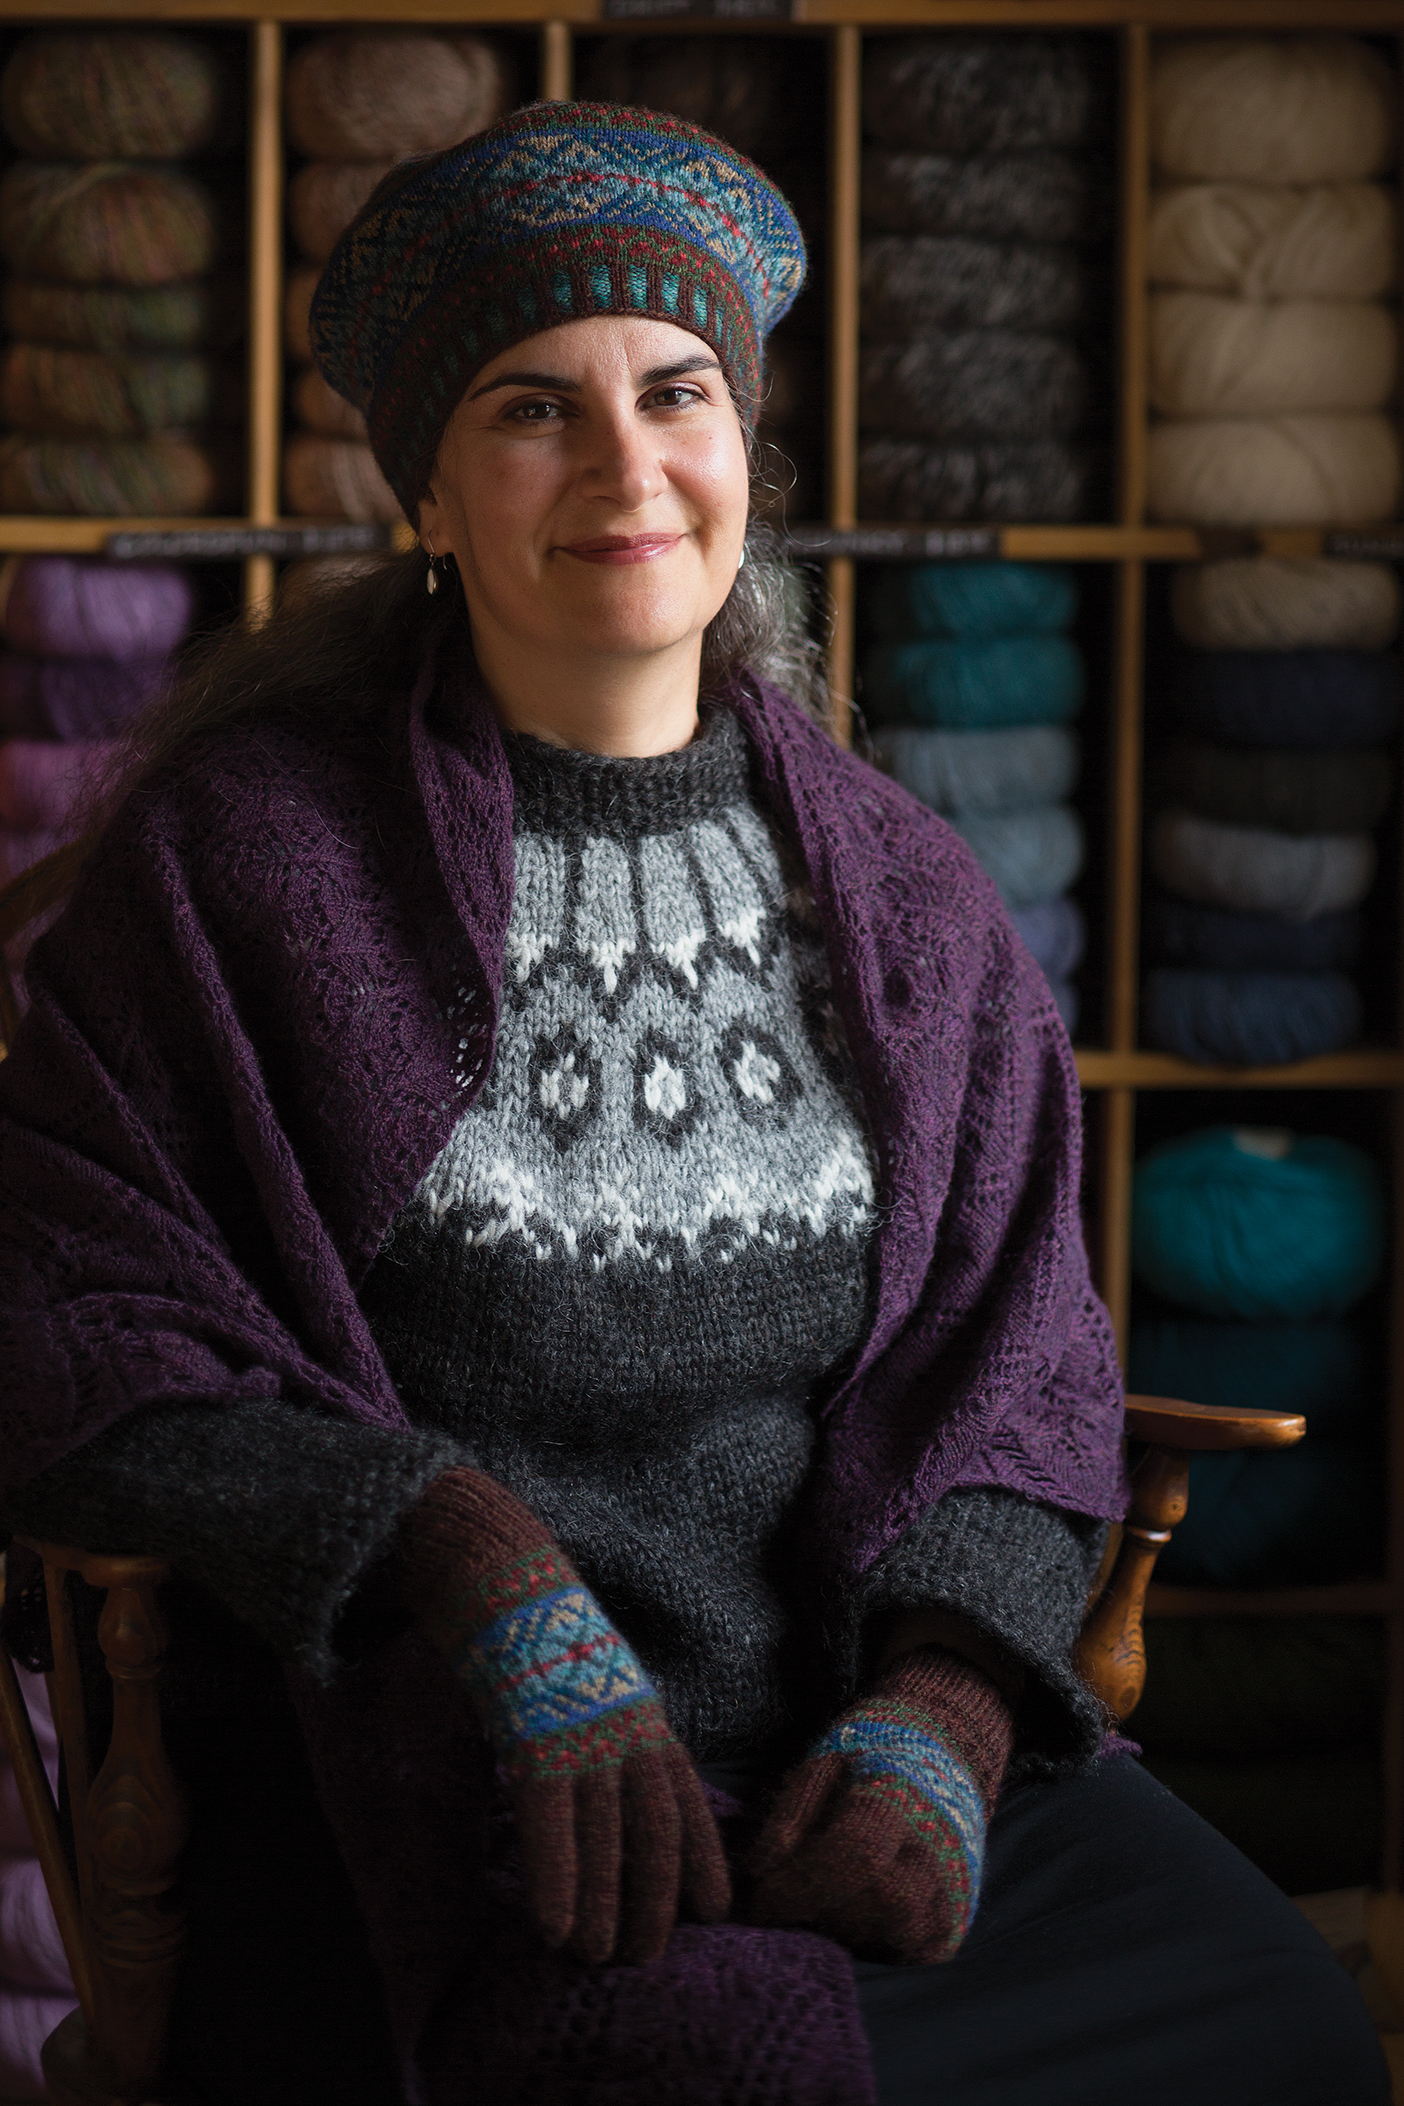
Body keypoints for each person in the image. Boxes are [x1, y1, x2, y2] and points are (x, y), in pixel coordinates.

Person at [0, 100, 1385, 2106]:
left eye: (675, 393)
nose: (627, 464)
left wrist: (946, 1715)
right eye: (530, 409)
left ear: (748, 448)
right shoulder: (252, 867)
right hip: (445, 1781)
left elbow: (1022, 1372)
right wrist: (463, 1559)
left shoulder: (903, 896)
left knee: (1283, 2024)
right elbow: (68, 1321)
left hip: (841, 1747)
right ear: (432, 499)